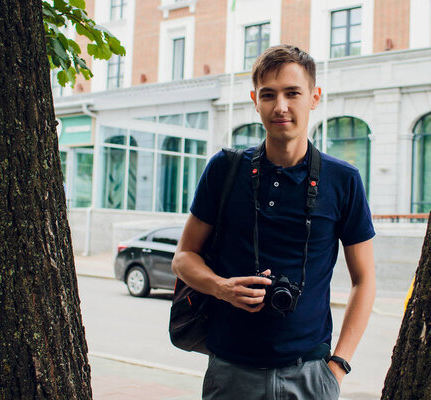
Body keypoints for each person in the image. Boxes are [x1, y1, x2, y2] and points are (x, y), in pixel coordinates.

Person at [172, 45, 375, 400]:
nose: (280, 106)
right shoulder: (225, 169)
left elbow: (365, 280)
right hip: (230, 371)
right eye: (269, 95)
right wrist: (221, 287)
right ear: (255, 101)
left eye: (292, 93)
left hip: (310, 374)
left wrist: (338, 366)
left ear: (314, 97)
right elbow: (183, 257)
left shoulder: (343, 180)